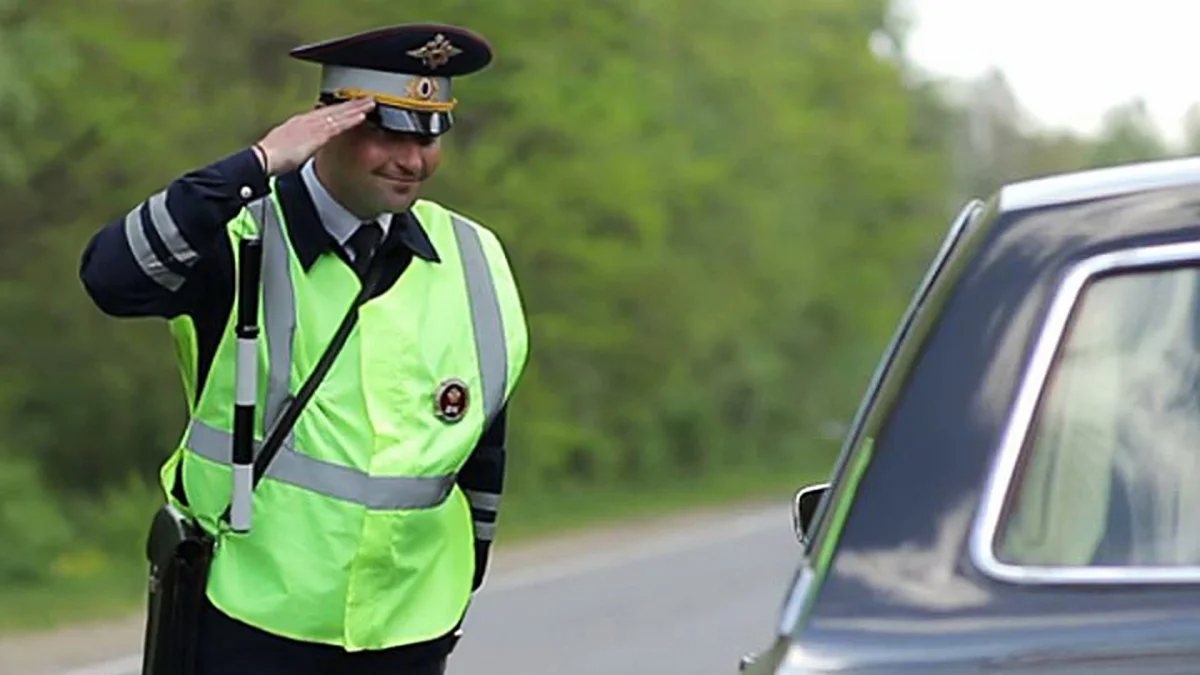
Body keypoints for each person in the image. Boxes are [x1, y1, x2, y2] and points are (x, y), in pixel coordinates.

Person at [78, 22, 529, 675]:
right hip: (250, 621)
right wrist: (256, 164)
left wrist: (459, 590)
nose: (413, 159)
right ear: (330, 123)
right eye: (390, 131)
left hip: (407, 630)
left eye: (429, 135)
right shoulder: (237, 231)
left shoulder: (475, 255)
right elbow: (112, 276)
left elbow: (483, 447)